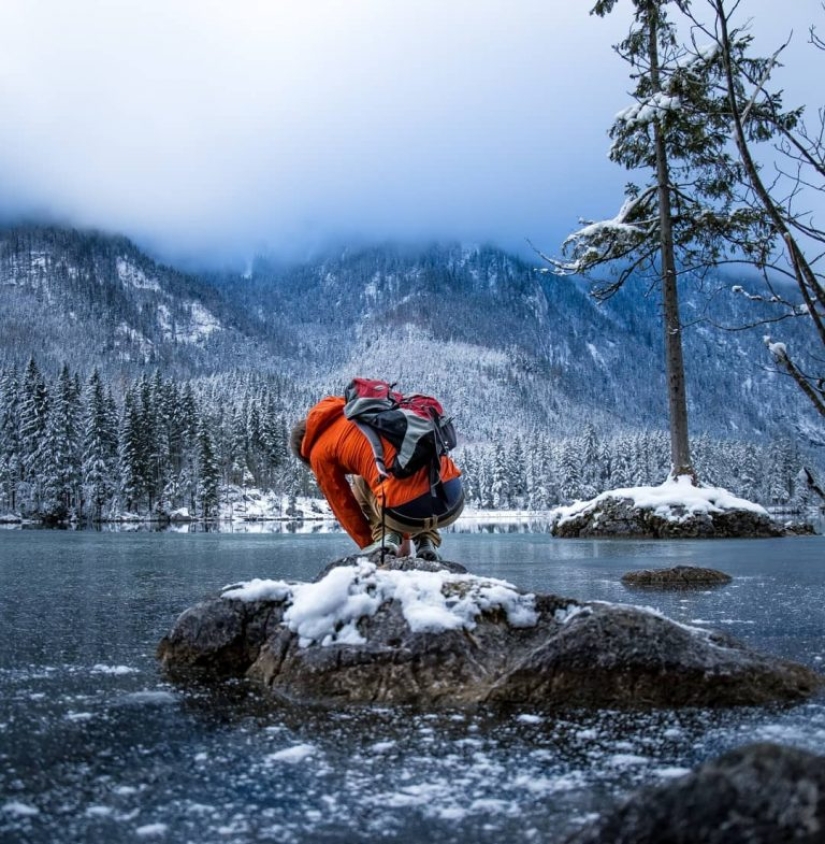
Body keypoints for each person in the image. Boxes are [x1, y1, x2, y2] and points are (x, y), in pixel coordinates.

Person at [290, 392, 464, 561]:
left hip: (404, 512)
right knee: (413, 470)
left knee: (362, 479)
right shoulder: (364, 409)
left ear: (304, 454)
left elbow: (343, 506)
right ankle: (426, 541)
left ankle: (386, 538)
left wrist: (368, 545)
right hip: (453, 502)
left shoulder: (317, 453)